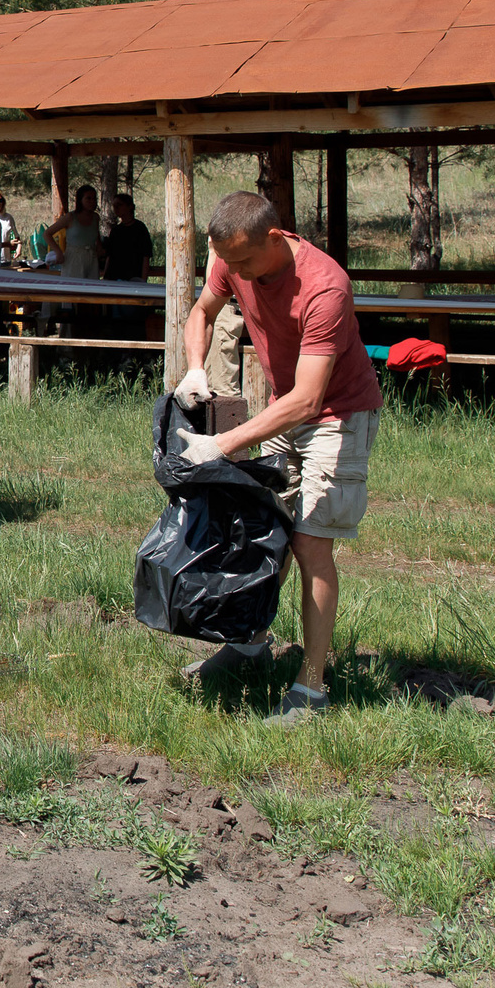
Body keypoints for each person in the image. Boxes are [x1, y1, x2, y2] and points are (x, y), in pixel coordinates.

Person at [173, 191, 382, 723]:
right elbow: (202, 311)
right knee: (264, 531)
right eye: (227, 261)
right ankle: (248, 644)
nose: (234, 271)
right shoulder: (230, 254)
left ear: (274, 237)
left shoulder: (324, 286)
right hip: (281, 409)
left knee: (311, 544)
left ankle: (311, 690)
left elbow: (311, 398)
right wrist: (195, 367)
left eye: (243, 261)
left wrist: (223, 444)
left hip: (336, 416)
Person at [48, 185, 104, 279]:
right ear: (80, 200)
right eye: (88, 198)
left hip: (92, 257)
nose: (92, 201)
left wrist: (99, 247)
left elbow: (95, 233)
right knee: (74, 287)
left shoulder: (95, 217)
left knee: (92, 288)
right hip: (74, 257)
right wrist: (58, 252)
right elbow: (47, 234)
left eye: (94, 198)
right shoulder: (70, 217)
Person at [103, 191, 153, 283]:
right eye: (114, 206)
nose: (116, 208)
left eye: (119, 205)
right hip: (114, 277)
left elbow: (146, 256)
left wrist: (143, 280)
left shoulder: (140, 228)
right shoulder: (115, 230)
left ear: (130, 206)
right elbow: (109, 257)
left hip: (133, 278)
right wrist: (105, 277)